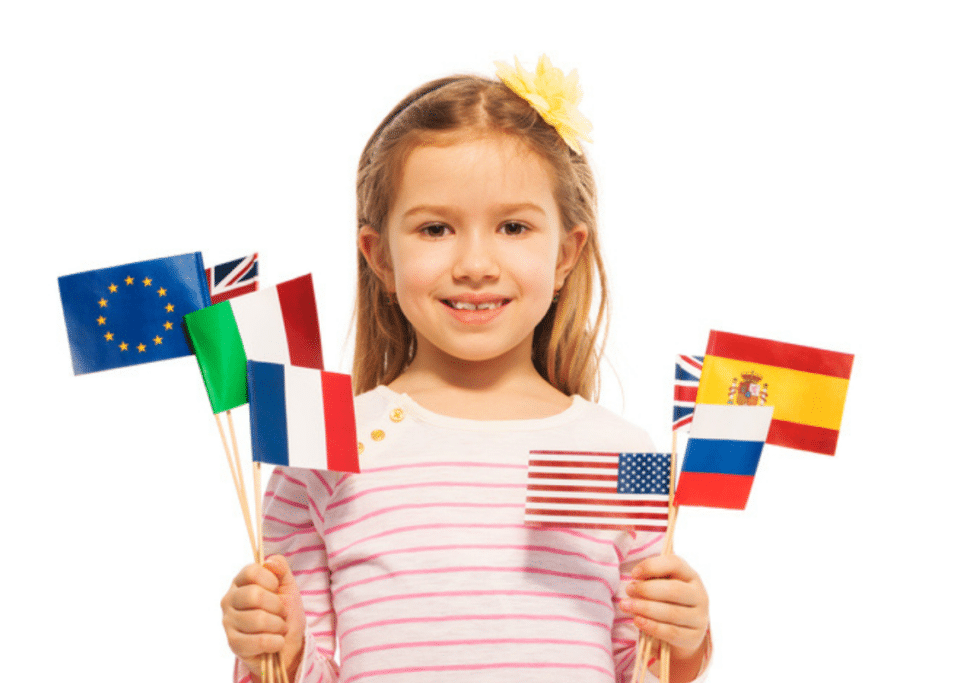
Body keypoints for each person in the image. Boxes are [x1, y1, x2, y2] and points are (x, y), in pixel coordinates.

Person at [221, 56, 711, 682]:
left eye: (513, 226)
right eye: (435, 228)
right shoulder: (321, 442)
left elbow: (638, 669)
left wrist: (684, 640)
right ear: (381, 258)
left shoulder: (624, 455)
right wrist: (274, 645)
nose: (475, 263)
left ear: (566, 254)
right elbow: (291, 672)